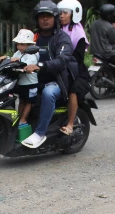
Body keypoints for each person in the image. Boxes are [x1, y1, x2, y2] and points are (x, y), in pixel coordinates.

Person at [21, 1, 78, 149]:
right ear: (37, 19)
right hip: (33, 79)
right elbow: (21, 52)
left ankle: (40, 133)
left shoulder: (62, 38)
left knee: (48, 93)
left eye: (48, 16)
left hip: (56, 81)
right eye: (41, 16)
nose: (45, 19)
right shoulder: (34, 37)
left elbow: (62, 60)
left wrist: (40, 66)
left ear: (55, 18)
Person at [57, 0, 90, 136]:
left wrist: (62, 59)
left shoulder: (78, 33)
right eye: (60, 13)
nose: (61, 16)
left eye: (65, 13)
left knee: (73, 90)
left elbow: (78, 56)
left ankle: (70, 124)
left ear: (74, 15)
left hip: (75, 69)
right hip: (58, 66)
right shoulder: (57, 30)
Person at [0, 29, 39, 132]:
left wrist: (19, 61)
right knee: (21, 101)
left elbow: (28, 64)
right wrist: (6, 59)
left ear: (29, 45)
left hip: (30, 83)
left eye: (22, 44)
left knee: (28, 102)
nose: (19, 46)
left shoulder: (33, 54)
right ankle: (19, 117)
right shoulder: (18, 53)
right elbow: (13, 59)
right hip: (21, 82)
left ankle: (23, 119)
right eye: (18, 44)